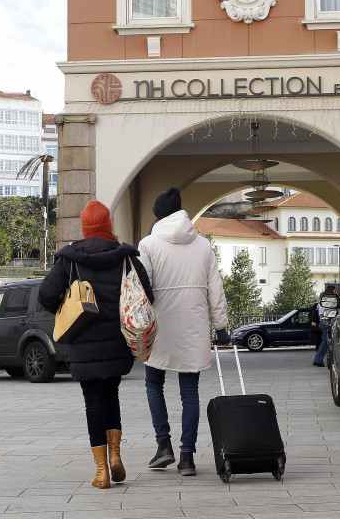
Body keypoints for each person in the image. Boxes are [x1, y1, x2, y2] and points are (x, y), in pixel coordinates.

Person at [38, 200, 153, 490]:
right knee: (111, 395)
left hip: (83, 343)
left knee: (93, 403)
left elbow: (46, 296)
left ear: (85, 228)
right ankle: (116, 454)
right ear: (108, 226)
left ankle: (101, 471)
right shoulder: (126, 258)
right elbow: (148, 295)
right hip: (116, 343)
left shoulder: (70, 260)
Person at [138, 186, 230, 477]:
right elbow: (216, 289)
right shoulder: (203, 245)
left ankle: (163, 444)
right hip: (193, 327)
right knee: (190, 393)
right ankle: (187, 457)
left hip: (160, 328)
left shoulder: (148, 244)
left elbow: (143, 289)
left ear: (158, 214)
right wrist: (222, 329)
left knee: (154, 383)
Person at [312, 285, 338, 367]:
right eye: (335, 290)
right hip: (328, 321)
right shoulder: (330, 299)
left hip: (322, 321)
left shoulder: (323, 298)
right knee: (326, 342)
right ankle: (318, 360)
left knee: (325, 341)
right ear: (333, 290)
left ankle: (318, 360)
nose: (336, 292)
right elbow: (333, 310)